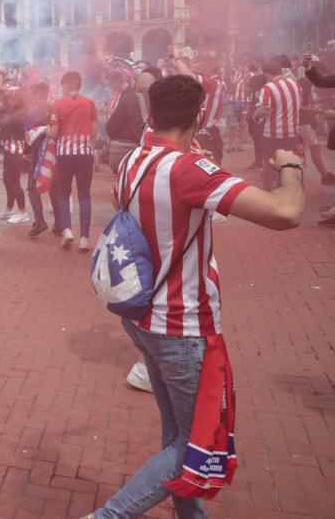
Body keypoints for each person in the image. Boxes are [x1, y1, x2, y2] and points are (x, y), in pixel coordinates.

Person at [86, 75, 305, 519]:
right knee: (191, 444)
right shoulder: (188, 171)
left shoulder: (133, 159)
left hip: (143, 318)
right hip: (182, 326)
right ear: (200, 116)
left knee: (176, 436)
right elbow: (285, 212)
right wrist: (290, 168)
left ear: (150, 115)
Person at [50, 70, 97, 252]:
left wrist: (49, 132)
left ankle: (67, 230)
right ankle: (84, 237)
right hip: (84, 153)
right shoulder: (89, 104)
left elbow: (54, 132)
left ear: (65, 84)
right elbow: (93, 133)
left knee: (63, 193)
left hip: (64, 153)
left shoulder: (58, 105)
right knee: (84, 194)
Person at [253, 56, 302, 190]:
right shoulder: (295, 84)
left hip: (272, 135)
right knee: (288, 165)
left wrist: (255, 117)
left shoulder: (268, 88)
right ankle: (288, 191)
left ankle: (270, 194)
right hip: (292, 133)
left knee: (270, 165)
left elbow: (263, 109)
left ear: (267, 73)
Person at [24, 81, 60, 238]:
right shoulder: (54, 109)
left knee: (32, 188)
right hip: (54, 154)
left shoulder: (33, 113)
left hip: (38, 154)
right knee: (54, 188)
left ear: (37, 94)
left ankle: (40, 221)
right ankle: (59, 223)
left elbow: (27, 135)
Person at [0, 89, 29, 224]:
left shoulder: (20, 113)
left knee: (14, 182)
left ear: (19, 101)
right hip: (9, 148)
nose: (10, 102)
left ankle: (23, 211)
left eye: (13, 99)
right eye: (9, 99)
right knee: (7, 180)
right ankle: (9, 209)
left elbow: (0, 123)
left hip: (15, 150)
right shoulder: (14, 111)